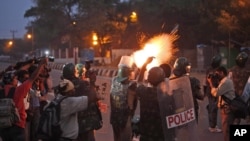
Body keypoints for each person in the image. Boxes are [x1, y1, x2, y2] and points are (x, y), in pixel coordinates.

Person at [0, 58, 46, 141]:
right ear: (11, 81)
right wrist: (41, 65)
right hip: (18, 126)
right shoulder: (18, 90)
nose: (16, 80)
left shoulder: (1, 91)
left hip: (3, 127)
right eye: (15, 79)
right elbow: (32, 78)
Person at [62, 63, 100, 141]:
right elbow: (94, 96)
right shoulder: (84, 84)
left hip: (69, 126)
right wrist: (92, 82)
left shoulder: (61, 87)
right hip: (85, 124)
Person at [110, 64, 138, 141]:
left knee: (117, 139)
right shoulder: (132, 85)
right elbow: (138, 81)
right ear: (129, 75)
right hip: (125, 120)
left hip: (114, 118)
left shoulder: (114, 80)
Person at [207, 66, 236, 141]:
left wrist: (211, 83)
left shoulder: (226, 82)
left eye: (217, 74)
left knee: (226, 131)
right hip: (226, 109)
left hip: (227, 109)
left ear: (222, 73)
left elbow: (216, 93)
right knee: (227, 129)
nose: (216, 75)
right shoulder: (224, 81)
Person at [228, 52, 250, 124]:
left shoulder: (232, 70)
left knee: (236, 116)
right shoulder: (248, 70)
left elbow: (228, 82)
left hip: (235, 96)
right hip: (246, 97)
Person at [203, 54, 222, 133]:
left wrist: (204, 93)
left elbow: (204, 82)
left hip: (209, 91)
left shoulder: (208, 69)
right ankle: (212, 127)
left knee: (212, 108)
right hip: (214, 92)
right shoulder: (217, 71)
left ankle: (212, 125)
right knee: (213, 109)